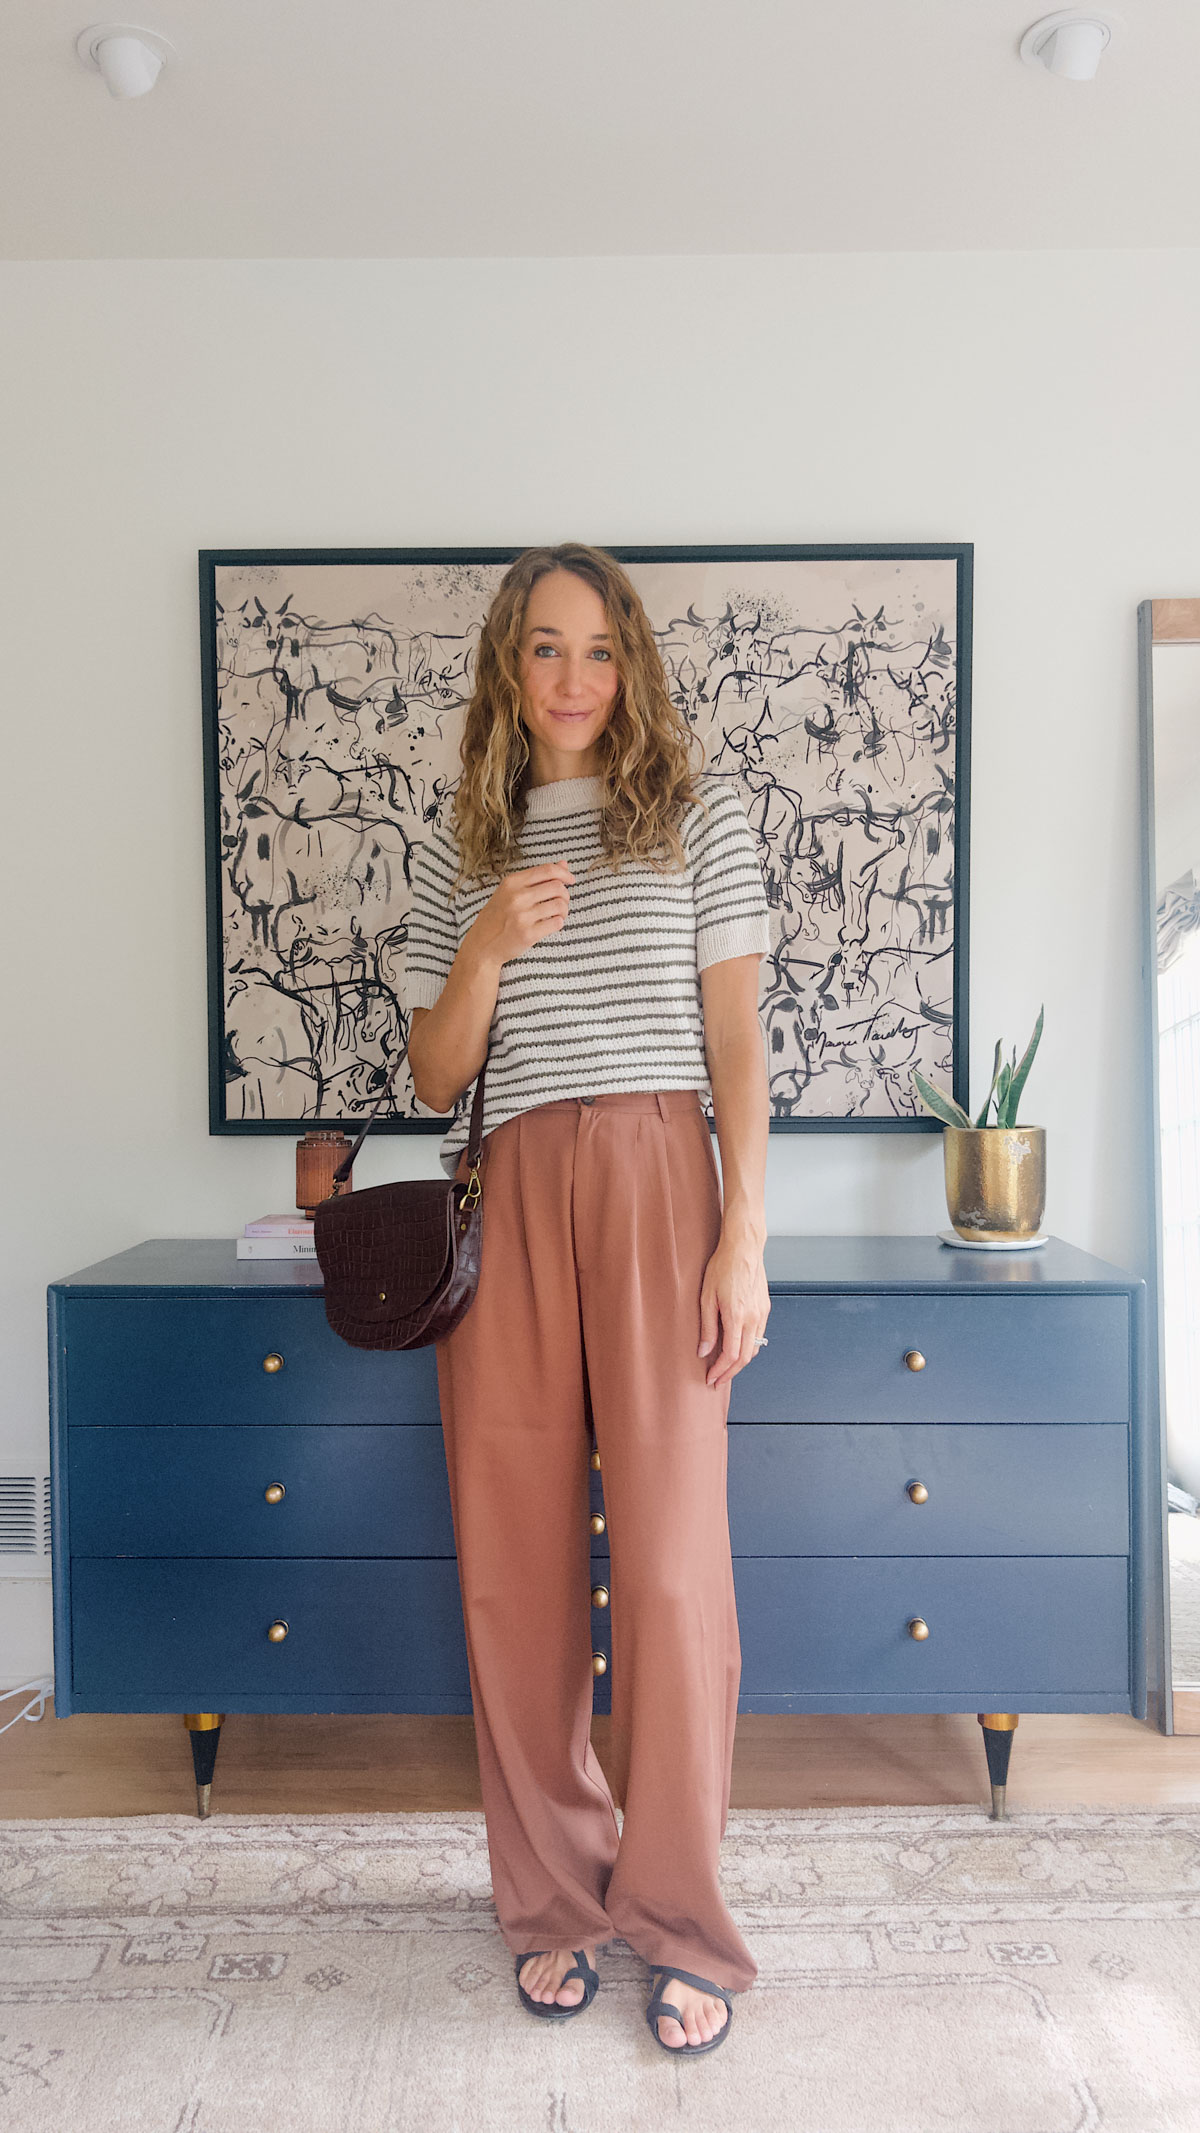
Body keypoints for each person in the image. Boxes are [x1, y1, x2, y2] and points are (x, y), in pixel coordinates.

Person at [403, 542, 772, 2056]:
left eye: (600, 650)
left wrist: (742, 1230)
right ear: (509, 663)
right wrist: (487, 940)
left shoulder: (696, 813)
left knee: (677, 1576)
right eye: (546, 648)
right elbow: (434, 1077)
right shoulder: (460, 842)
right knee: (519, 1569)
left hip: (657, 1181)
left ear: (633, 666)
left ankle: (682, 1918)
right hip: (505, 1196)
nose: (573, 677)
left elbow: (739, 1043)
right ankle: (554, 1900)